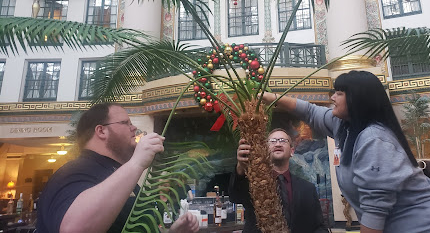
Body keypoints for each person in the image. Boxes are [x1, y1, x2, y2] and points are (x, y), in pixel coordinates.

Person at [261, 70, 430, 233]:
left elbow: (374, 211)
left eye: (339, 93)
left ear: (356, 100)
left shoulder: (373, 139)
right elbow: (308, 110)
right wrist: (266, 96)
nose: (332, 97)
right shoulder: (344, 126)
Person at [36, 103, 199, 233]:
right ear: (101, 131)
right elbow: (74, 228)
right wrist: (137, 163)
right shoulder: (74, 172)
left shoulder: (117, 172)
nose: (133, 128)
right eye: (125, 123)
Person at [229, 128, 327, 233]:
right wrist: (240, 167)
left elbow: (318, 226)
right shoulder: (253, 183)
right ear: (265, 150)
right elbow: (235, 196)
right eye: (273, 141)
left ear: (292, 151)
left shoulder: (308, 189)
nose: (278, 144)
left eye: (283, 140)